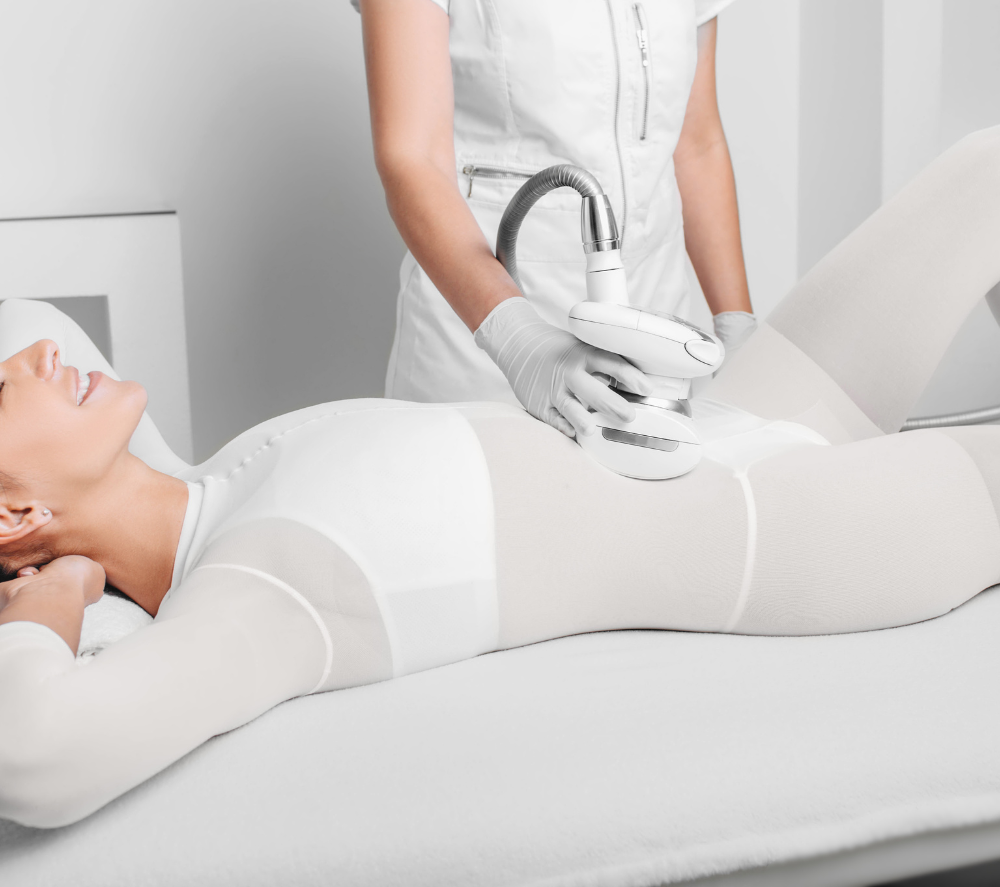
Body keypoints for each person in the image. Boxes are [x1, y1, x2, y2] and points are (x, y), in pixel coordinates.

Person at [2, 129, 1000, 830]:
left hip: (744, 413)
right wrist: (52, 600)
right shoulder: (255, 592)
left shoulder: (223, 475)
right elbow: (37, 758)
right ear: (16, 513)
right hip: (789, 531)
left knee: (987, 166)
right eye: (4, 387)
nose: (38, 357)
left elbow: (35, 318)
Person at [351, 0, 757, 439]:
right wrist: (518, 339)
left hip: (657, 348)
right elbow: (412, 157)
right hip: (485, 350)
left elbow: (695, 140)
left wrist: (736, 324)